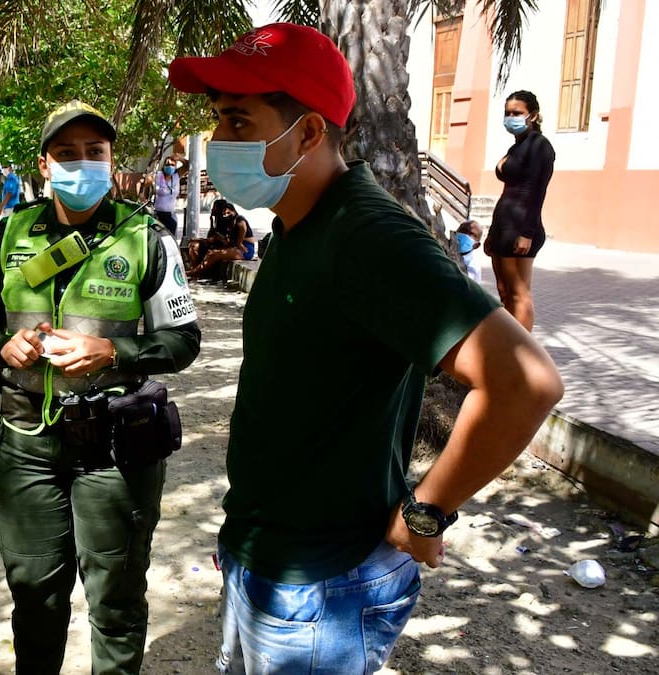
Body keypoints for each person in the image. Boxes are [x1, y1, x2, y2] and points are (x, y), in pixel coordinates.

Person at [168, 24, 563, 673]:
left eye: (239, 121)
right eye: (218, 120)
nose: (219, 141)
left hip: (323, 585)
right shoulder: (300, 224)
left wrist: (428, 510)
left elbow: (525, 382)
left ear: (308, 134)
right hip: (268, 558)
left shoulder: (368, 237)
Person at [0, 100, 201, 674]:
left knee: (115, 602)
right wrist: (1, 346)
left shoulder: (145, 237)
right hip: (26, 444)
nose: (82, 164)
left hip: (115, 450)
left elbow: (183, 340)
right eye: (66, 153)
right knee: (35, 599)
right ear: (44, 165)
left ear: (111, 160)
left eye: (95, 152)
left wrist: (113, 351)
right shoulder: (12, 232)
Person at [486, 90, 555, 332]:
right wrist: (492, 233)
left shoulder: (540, 146)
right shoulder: (517, 147)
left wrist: (527, 232)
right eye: (507, 113)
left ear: (533, 115)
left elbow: (537, 191)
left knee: (519, 294)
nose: (511, 117)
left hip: (521, 228)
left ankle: (522, 349)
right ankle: (509, 343)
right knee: (505, 292)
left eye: (517, 113)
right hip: (503, 226)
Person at [186, 201, 256, 281]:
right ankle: (196, 272)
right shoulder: (227, 223)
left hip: (245, 248)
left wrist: (239, 243)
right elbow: (223, 241)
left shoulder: (239, 219)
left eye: (228, 212)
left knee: (213, 254)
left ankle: (193, 272)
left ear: (233, 211)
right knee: (204, 250)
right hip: (234, 247)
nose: (226, 215)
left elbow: (242, 226)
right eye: (224, 213)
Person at [152, 156, 181, 237]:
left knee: (170, 239)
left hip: (171, 215)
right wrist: (143, 197)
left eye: (172, 165)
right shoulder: (158, 176)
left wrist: (179, 158)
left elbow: (188, 165)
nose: (170, 167)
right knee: (158, 238)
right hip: (158, 215)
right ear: (163, 165)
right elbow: (144, 182)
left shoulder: (176, 176)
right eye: (167, 164)